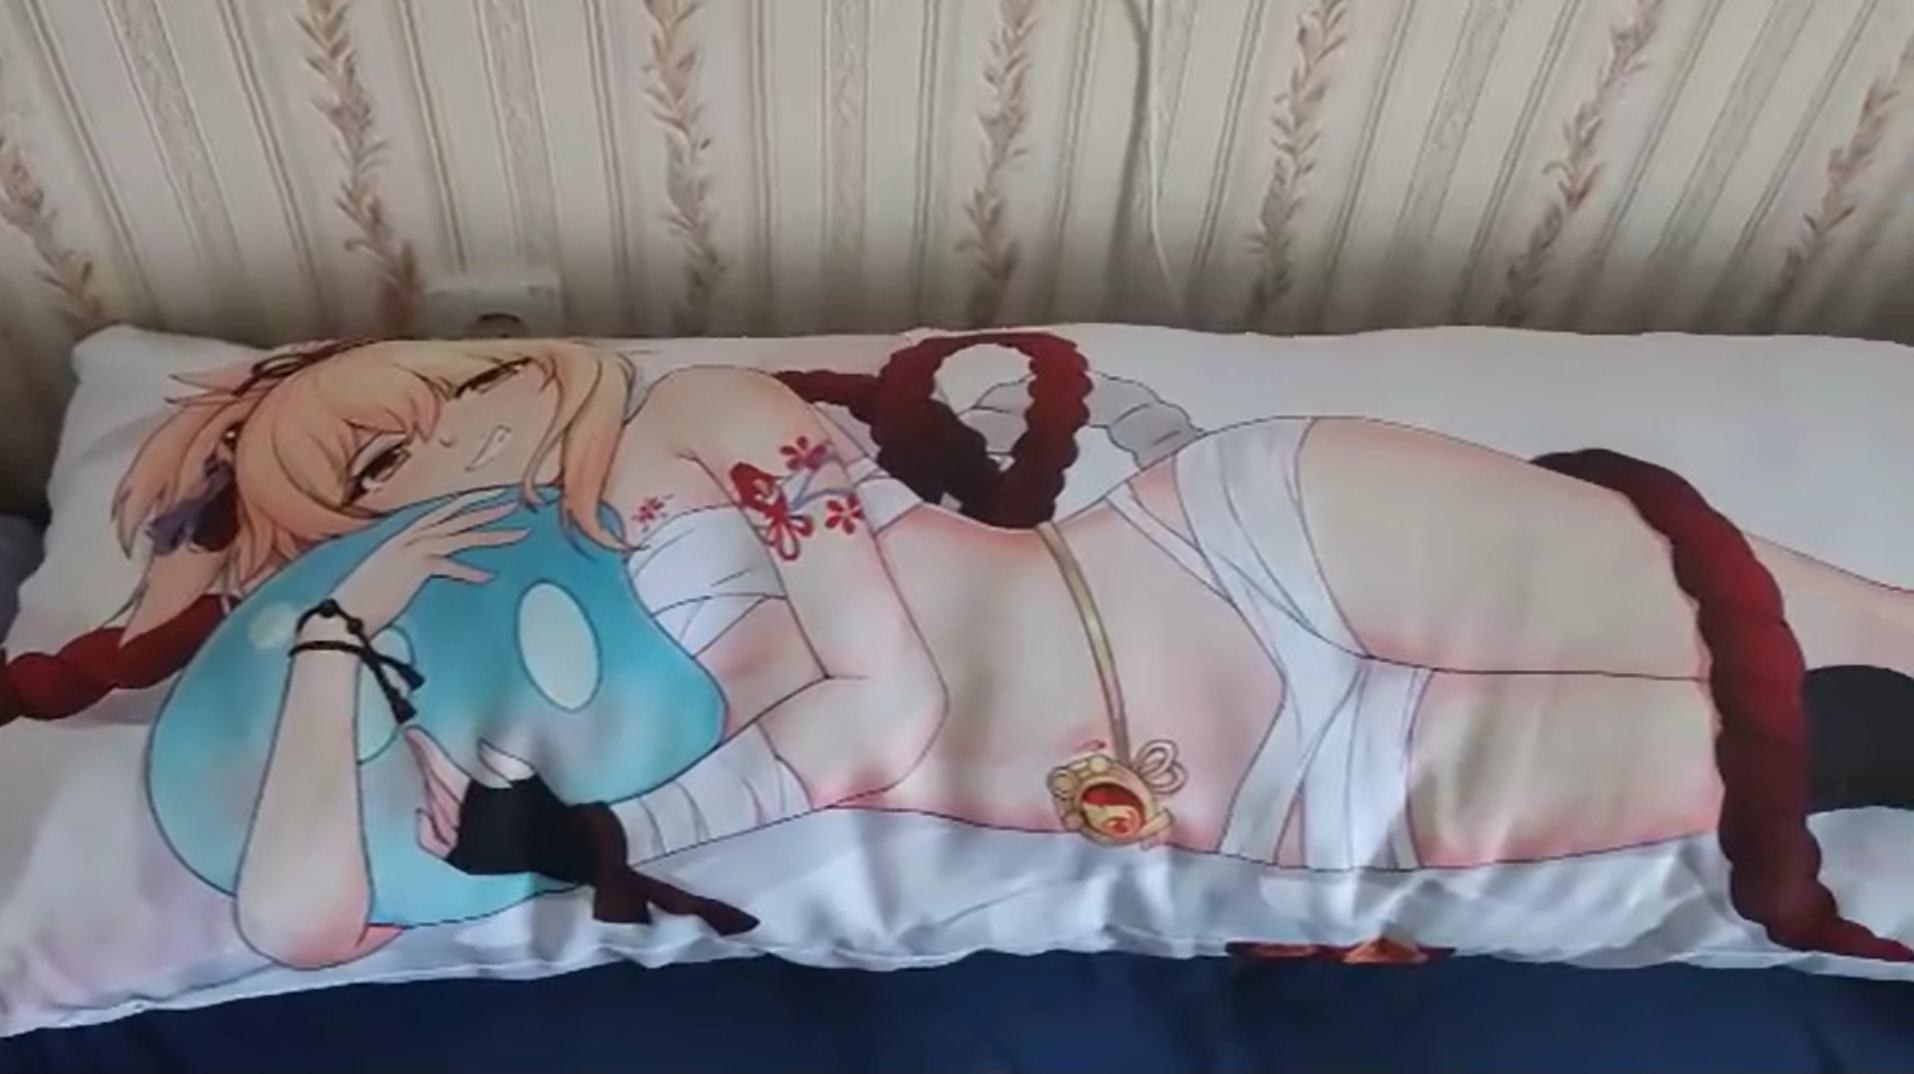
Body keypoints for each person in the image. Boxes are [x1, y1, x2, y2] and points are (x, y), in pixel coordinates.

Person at [2, 330, 1910, 972]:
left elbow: (887, 703)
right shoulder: (471, 640)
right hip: (1253, 795)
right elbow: (304, 917)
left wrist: (610, 828)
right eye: (371, 477)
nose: (447, 436)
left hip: (1253, 541)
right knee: (1840, 746)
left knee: (1869, 648)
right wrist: (334, 652)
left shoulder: (692, 423)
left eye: (420, 402)